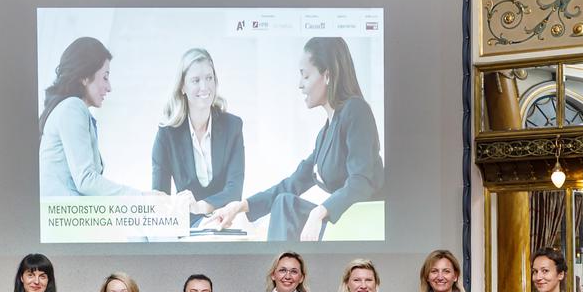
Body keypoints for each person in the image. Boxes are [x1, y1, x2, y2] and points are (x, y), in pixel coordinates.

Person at [209, 37, 384, 242]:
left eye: (305, 76)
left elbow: (360, 182)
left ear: (327, 75)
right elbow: (291, 185)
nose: (300, 85)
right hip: (344, 223)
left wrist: (319, 212)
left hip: (365, 221)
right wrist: (240, 206)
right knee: (285, 200)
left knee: (286, 205)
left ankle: (277, 270)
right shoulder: (325, 135)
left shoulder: (356, 110)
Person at [38, 36, 141, 197]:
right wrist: (141, 198)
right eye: (105, 77)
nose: (109, 87)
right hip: (64, 217)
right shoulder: (72, 107)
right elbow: (86, 181)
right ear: (85, 76)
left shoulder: (68, 109)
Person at [150, 48, 245, 220]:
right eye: (196, 80)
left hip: (225, 222)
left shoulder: (233, 126)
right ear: (182, 87)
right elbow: (160, 198)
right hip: (187, 228)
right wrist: (177, 207)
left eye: (209, 78)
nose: (204, 86)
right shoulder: (167, 134)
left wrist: (200, 207)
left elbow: (234, 190)